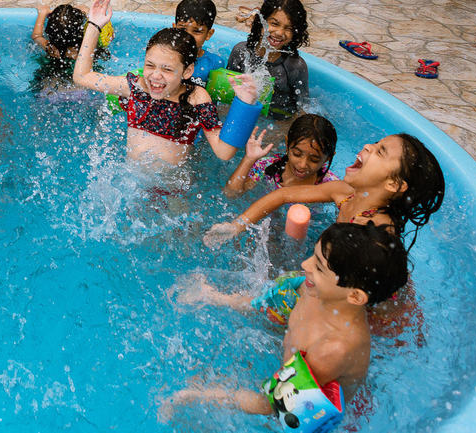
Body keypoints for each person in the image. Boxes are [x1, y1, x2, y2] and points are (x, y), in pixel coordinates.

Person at [164, 223, 410, 421]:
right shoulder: (317, 290)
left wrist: (200, 395)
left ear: (355, 296)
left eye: (319, 267)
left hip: (308, 409)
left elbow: (272, 405)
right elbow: (267, 304)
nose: (305, 266)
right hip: (291, 370)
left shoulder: (333, 349)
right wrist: (217, 298)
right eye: (312, 257)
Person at [73, 0, 257, 164]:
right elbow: (82, 77)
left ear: (187, 71)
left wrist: (245, 105)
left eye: (167, 69)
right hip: (131, 183)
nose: (155, 76)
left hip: (173, 191)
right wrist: (94, 25)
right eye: (150, 65)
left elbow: (223, 152)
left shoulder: (196, 98)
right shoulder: (135, 87)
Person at [205, 133, 445, 250]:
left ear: (393, 184)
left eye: (380, 152)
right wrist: (237, 226)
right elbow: (282, 195)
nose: (367, 146)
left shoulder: (374, 234)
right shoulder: (345, 191)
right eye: (376, 143)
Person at [227, 0, 309, 118]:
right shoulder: (241, 52)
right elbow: (227, 91)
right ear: (261, 22)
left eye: (289, 28)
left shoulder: (295, 66)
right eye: (274, 24)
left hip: (278, 122)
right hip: (243, 114)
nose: (280, 33)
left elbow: (303, 108)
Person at [223, 113, 338, 197]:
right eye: (297, 154)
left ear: (327, 158)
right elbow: (231, 194)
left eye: (314, 159)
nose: (302, 165)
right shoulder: (266, 166)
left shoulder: (330, 184)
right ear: (287, 145)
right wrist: (249, 159)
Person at [172, 0, 224, 84]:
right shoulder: (165, 56)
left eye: (196, 31)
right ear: (174, 29)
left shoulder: (214, 63)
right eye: (182, 29)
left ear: (208, 34)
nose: (188, 37)